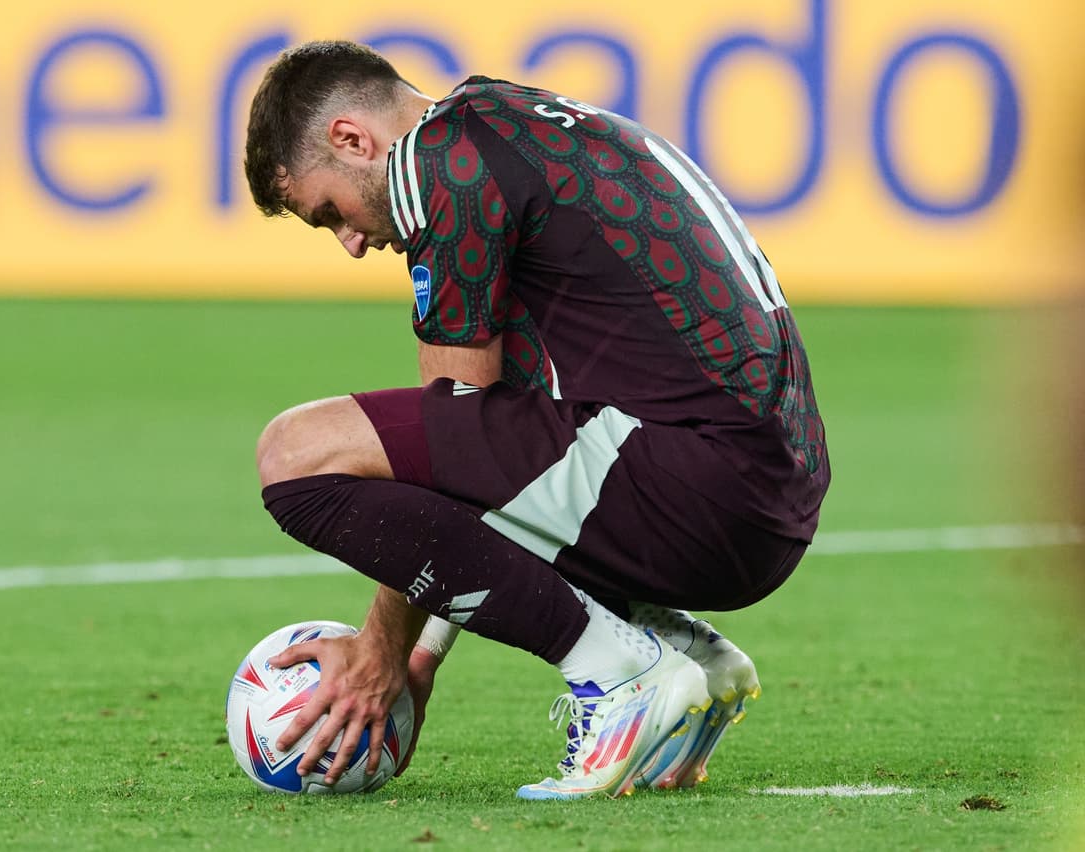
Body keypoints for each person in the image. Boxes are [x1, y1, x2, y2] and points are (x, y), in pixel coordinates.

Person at [243, 39, 829, 800]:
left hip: (699, 484)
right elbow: (494, 463)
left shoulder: (440, 161)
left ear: (353, 139)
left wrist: (384, 650)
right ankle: (680, 652)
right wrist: (420, 657)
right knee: (499, 422)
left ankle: (619, 674)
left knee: (297, 454)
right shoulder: (516, 129)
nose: (351, 243)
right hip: (761, 502)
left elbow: (452, 449)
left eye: (328, 214)